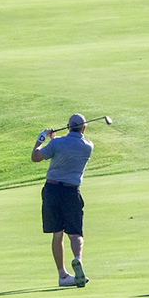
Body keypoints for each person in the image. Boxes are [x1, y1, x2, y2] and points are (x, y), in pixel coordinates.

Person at [32, 114, 93, 287]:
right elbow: (68, 148)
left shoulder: (57, 144)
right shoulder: (88, 146)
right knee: (75, 233)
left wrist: (41, 139)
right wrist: (54, 139)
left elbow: (35, 157)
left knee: (57, 233)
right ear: (84, 128)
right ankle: (78, 258)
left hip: (51, 190)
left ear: (68, 126)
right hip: (71, 191)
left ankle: (62, 276)